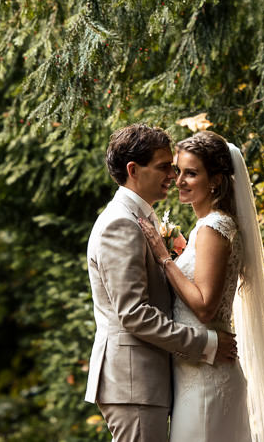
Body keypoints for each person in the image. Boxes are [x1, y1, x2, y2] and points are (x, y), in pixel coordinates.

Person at [136, 130, 264, 442]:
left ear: (214, 180)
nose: (179, 181)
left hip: (207, 379)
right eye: (178, 171)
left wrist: (165, 258)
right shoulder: (208, 227)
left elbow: (204, 307)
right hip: (196, 371)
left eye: (191, 173)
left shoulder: (215, 227)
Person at [87, 124, 239, 442]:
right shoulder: (121, 223)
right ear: (133, 170)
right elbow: (134, 314)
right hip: (134, 381)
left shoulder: (142, 219)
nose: (172, 175)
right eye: (164, 167)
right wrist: (207, 344)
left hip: (151, 381)